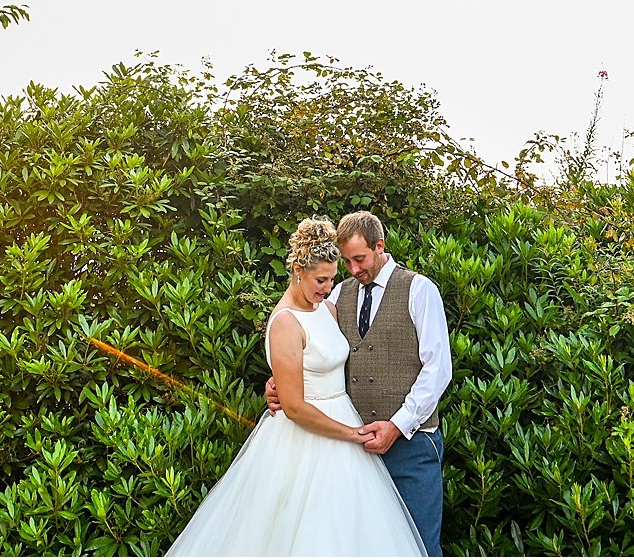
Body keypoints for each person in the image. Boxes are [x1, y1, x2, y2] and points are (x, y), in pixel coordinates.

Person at [165, 218, 425, 556]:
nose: (328, 288)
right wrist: (350, 434)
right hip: (306, 436)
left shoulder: (328, 309)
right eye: (321, 280)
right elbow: (295, 406)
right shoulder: (285, 322)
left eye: (333, 279)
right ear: (299, 271)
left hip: (344, 424)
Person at [264, 211, 452, 556]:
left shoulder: (419, 290)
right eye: (347, 261)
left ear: (380, 246)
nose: (353, 269)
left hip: (411, 445)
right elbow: (308, 343)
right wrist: (279, 382)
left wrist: (398, 425)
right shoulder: (336, 296)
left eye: (359, 259)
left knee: (418, 547)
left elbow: (438, 370)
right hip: (350, 450)